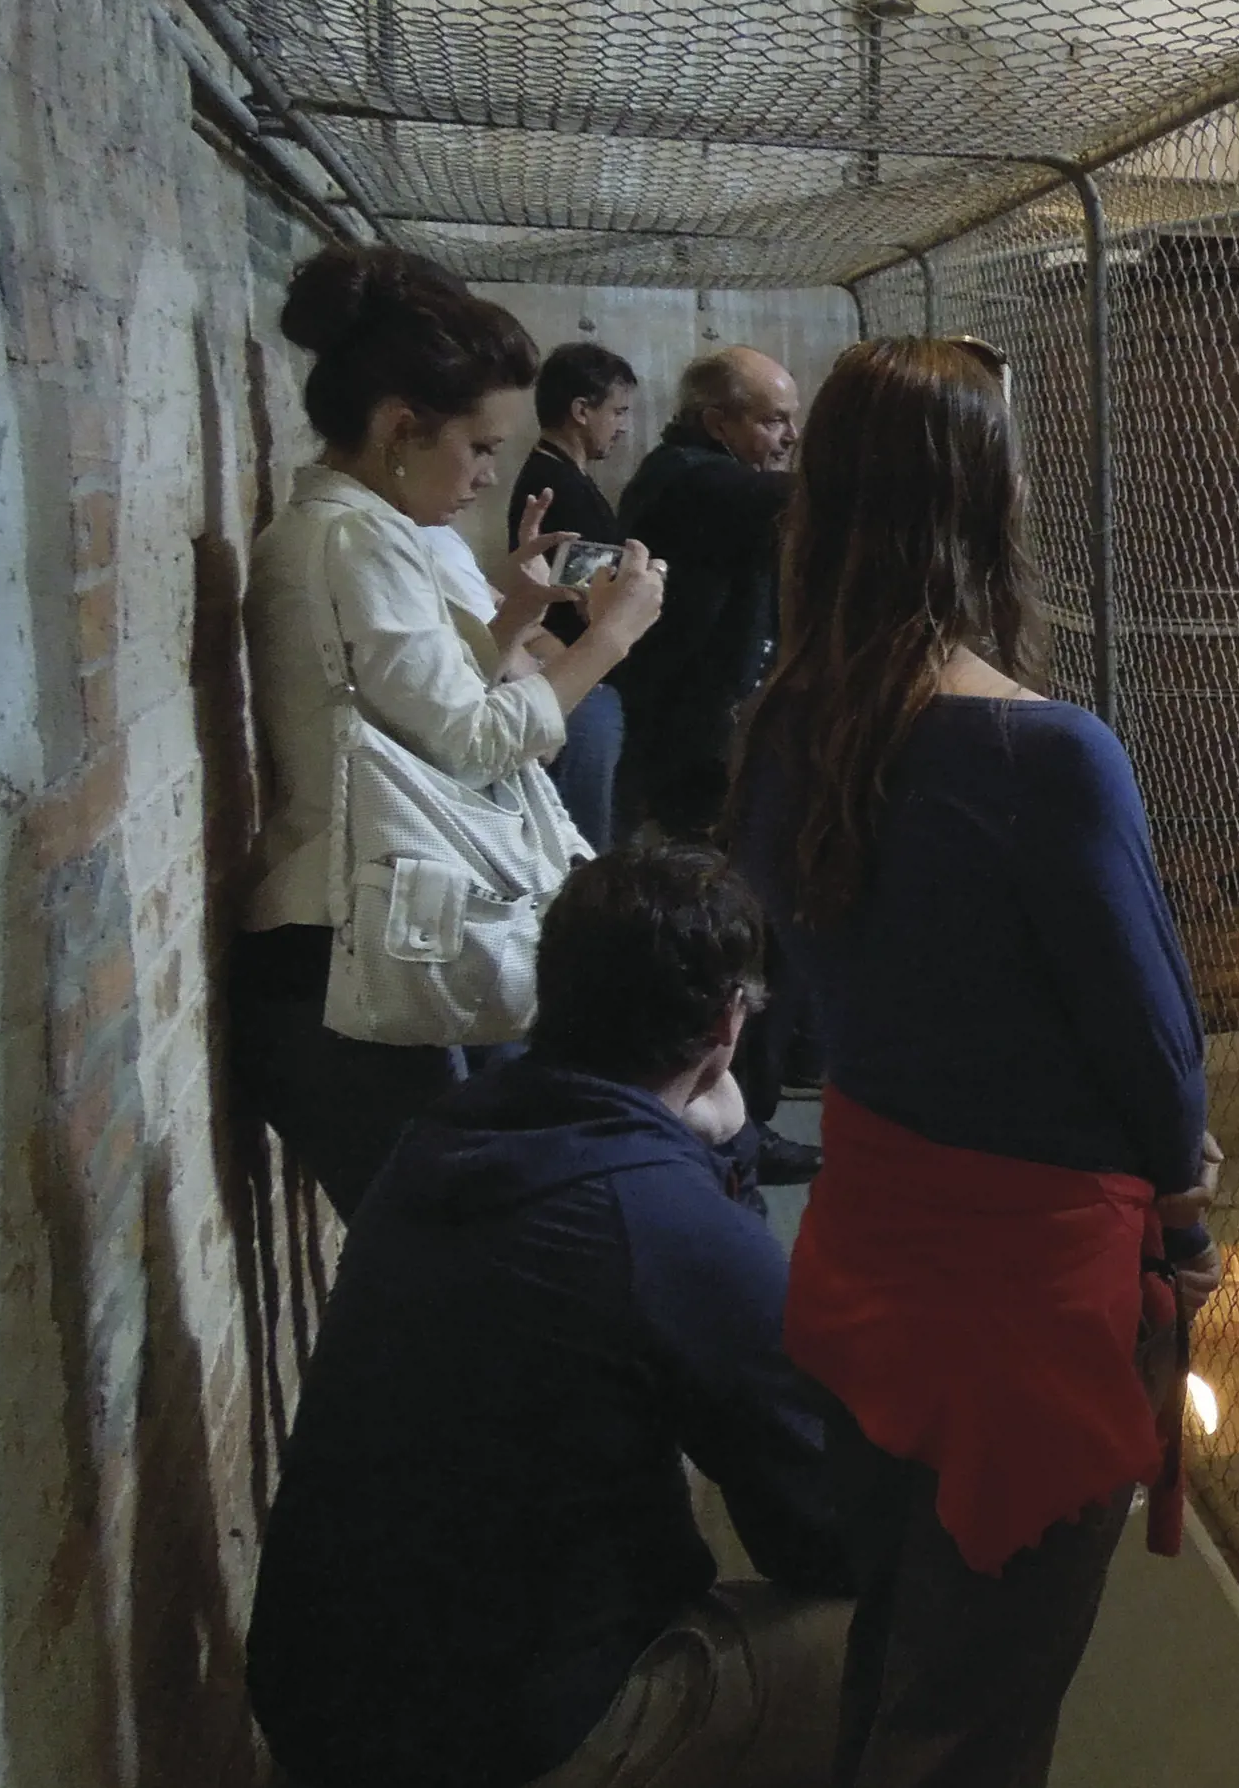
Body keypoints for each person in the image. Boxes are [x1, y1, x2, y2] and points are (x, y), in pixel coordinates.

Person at [730, 337, 1219, 1788]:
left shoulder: (791, 724)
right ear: (981, 500)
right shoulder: (1039, 753)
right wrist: (1183, 1183)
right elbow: (1156, 1045)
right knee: (969, 1733)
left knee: (905, 1652)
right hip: (1020, 1306)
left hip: (868, 1255)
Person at [247, 842, 854, 1788]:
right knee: (933, 1646)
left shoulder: (448, 1132)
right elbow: (820, 1528)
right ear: (726, 1025)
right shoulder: (661, 1220)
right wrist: (730, 1165)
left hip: (316, 1736)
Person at [235, 245, 665, 1216]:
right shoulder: (352, 538)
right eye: (478, 447)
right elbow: (468, 741)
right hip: (338, 960)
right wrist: (605, 639)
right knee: (434, 1266)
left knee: (439, 1253)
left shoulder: (367, 530)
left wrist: (514, 619)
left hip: (359, 944)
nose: (485, 474)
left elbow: (408, 712)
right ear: (400, 427)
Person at [619, 343, 824, 1185]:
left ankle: (736, 1117)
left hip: (704, 745)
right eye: (774, 418)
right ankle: (731, 1126)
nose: (788, 435)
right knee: (734, 939)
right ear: (718, 421)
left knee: (746, 934)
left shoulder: (694, 474)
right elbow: (793, 499)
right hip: (692, 754)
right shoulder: (690, 479)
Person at [510, 338, 643, 850]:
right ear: (581, 411)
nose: (624, 424)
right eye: (618, 411)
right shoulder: (554, 484)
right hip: (577, 681)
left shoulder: (562, 475)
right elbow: (591, 599)